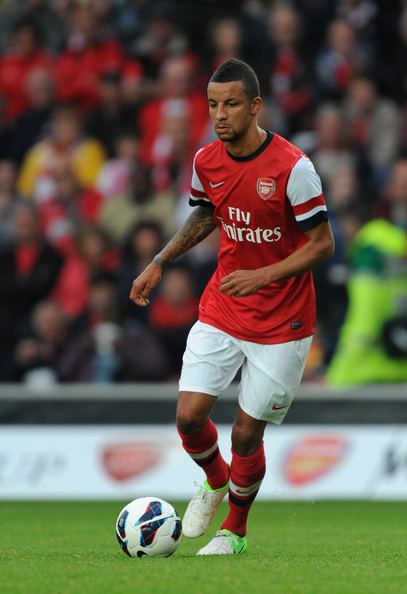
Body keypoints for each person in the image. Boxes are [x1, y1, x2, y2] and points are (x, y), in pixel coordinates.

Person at [130, 58, 334, 555]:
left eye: (232, 105)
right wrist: (160, 259)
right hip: (224, 305)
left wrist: (263, 274)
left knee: (246, 434)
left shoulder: (293, 168)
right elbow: (205, 214)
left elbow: (323, 244)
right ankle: (215, 481)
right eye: (213, 105)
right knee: (189, 417)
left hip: (283, 321)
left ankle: (235, 531)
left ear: (255, 106)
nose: (220, 115)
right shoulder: (206, 161)